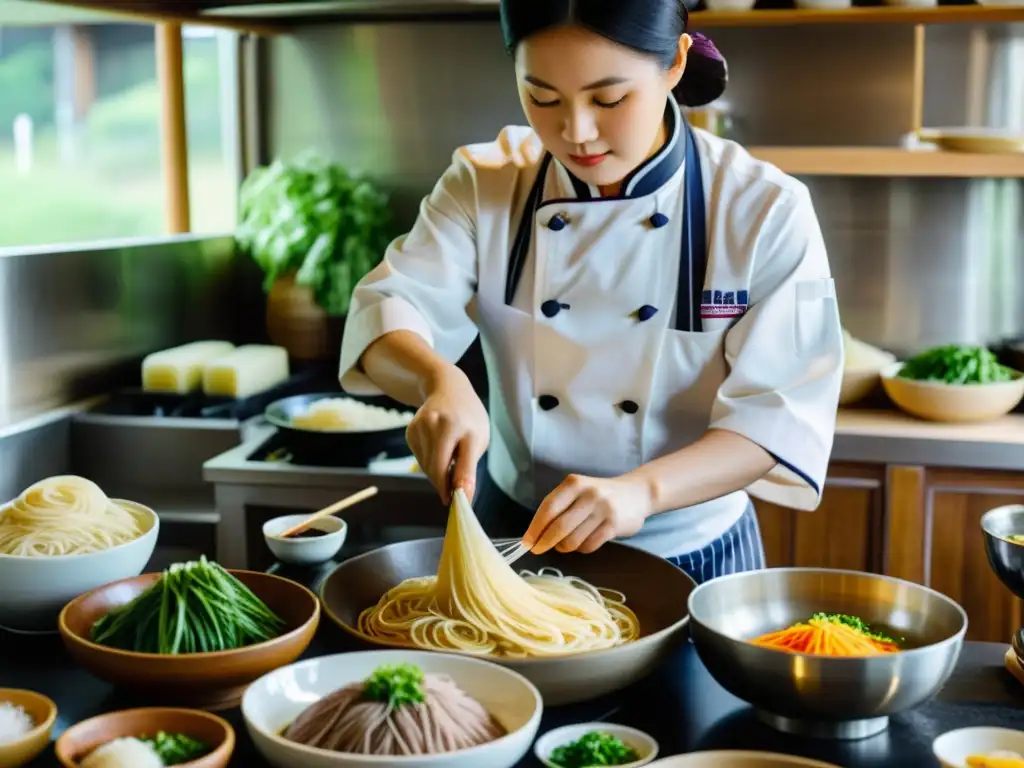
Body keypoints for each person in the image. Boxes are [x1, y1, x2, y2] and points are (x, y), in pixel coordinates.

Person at [338, 0, 843, 584]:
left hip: (692, 550)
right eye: (543, 98)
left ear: (675, 62)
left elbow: (781, 415)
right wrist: (438, 379)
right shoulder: (484, 182)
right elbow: (389, 306)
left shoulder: (765, 208)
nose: (575, 132)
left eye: (609, 99)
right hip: (514, 539)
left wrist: (643, 492)